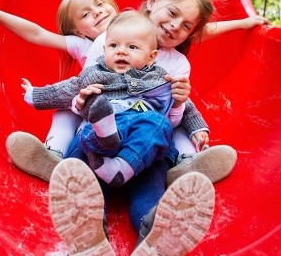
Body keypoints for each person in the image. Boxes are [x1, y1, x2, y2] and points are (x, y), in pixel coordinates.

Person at [0, 0, 264, 183]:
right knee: (70, 105)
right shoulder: (109, 35)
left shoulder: (173, 56)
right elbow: (37, 34)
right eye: (87, 14)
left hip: (144, 117)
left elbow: (199, 29)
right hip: (102, 115)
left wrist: (244, 23)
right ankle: (53, 157)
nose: (176, 26)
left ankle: (188, 165)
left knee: (176, 108)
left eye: (185, 25)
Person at [24, 10, 203, 187]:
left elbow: (184, 102)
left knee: (157, 126)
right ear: (104, 49)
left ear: (151, 57)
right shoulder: (95, 75)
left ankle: (147, 208)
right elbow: (67, 89)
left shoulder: (158, 78)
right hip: (96, 146)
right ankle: (71, 177)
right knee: (83, 161)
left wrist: (198, 129)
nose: (121, 52)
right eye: (114, 46)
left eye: (132, 47)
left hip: (138, 144)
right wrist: (35, 94)